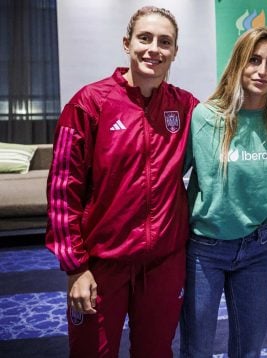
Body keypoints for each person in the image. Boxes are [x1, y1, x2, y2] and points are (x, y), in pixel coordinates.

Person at [46, 6, 198, 357]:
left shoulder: (187, 107)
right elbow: (61, 192)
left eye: (165, 42)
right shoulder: (89, 104)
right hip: (101, 265)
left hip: (163, 262)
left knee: (156, 352)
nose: (153, 49)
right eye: (144, 38)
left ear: (175, 51)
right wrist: (75, 267)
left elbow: (230, 123)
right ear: (127, 43)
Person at [179, 27, 267, 357]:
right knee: (197, 348)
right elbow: (170, 177)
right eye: (253, 60)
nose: (262, 71)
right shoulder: (206, 117)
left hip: (257, 248)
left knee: (249, 348)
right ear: (238, 63)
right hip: (205, 249)